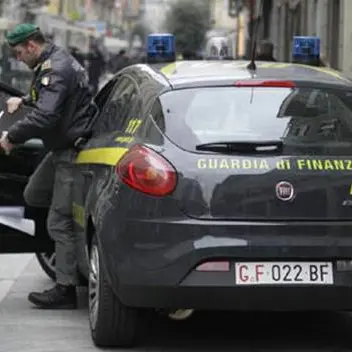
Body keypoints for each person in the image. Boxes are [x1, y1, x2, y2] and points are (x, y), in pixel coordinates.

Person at [0, 23, 98, 309]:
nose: (18, 58)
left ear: (31, 45)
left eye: (19, 52)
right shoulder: (53, 62)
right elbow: (51, 100)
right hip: (58, 151)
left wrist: (11, 137)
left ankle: (65, 288)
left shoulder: (54, 69)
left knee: (58, 221)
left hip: (70, 153)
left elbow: (45, 116)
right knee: (33, 194)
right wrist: (25, 99)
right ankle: (69, 237)